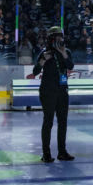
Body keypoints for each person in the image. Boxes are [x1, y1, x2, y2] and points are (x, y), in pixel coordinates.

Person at [32, 26, 75, 163]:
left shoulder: (66, 51)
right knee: (48, 122)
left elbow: (70, 66)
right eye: (57, 37)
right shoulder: (45, 52)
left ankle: (62, 152)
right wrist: (43, 60)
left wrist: (63, 54)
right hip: (48, 92)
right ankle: (46, 153)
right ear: (51, 39)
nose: (60, 40)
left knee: (63, 122)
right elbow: (35, 71)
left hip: (62, 91)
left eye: (61, 37)